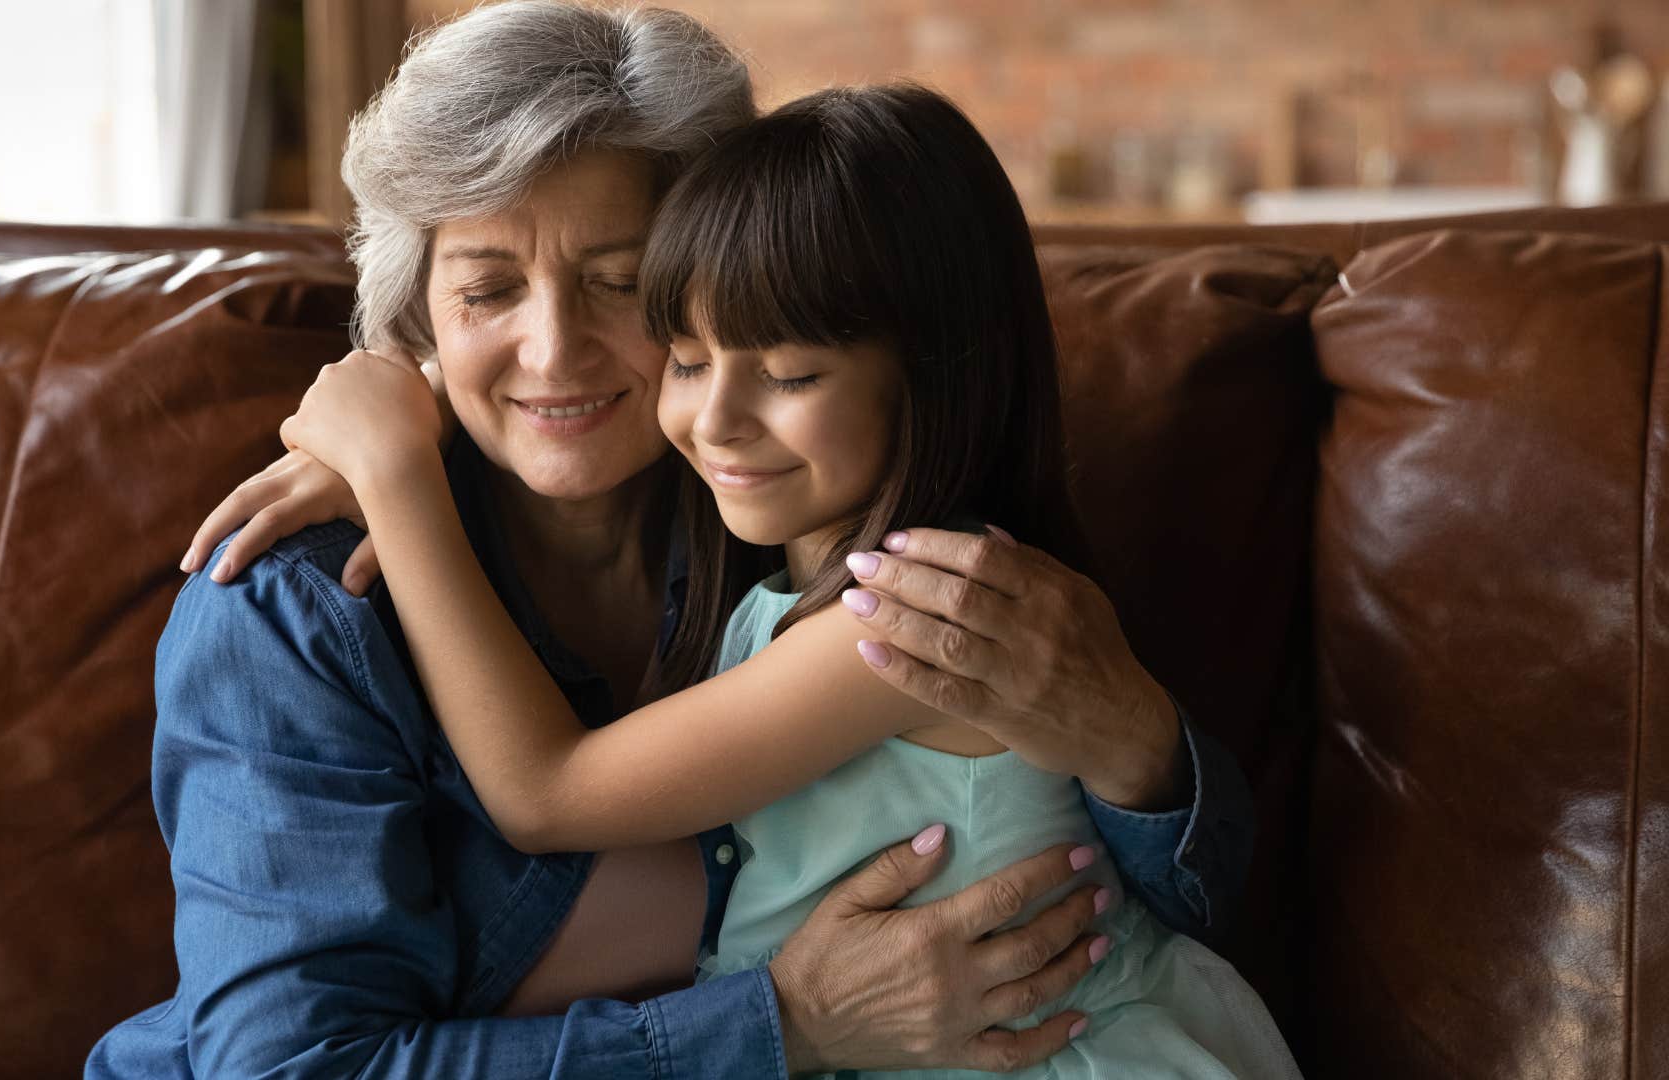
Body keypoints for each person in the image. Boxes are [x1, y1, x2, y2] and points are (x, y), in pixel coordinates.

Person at [88, 4, 1257, 1076]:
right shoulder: (293, 608)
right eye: (487, 293)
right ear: (419, 315)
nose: (555, 352)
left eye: (620, 283)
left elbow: (1163, 894)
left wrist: (1135, 743)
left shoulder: (778, 510)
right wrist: (782, 1024)